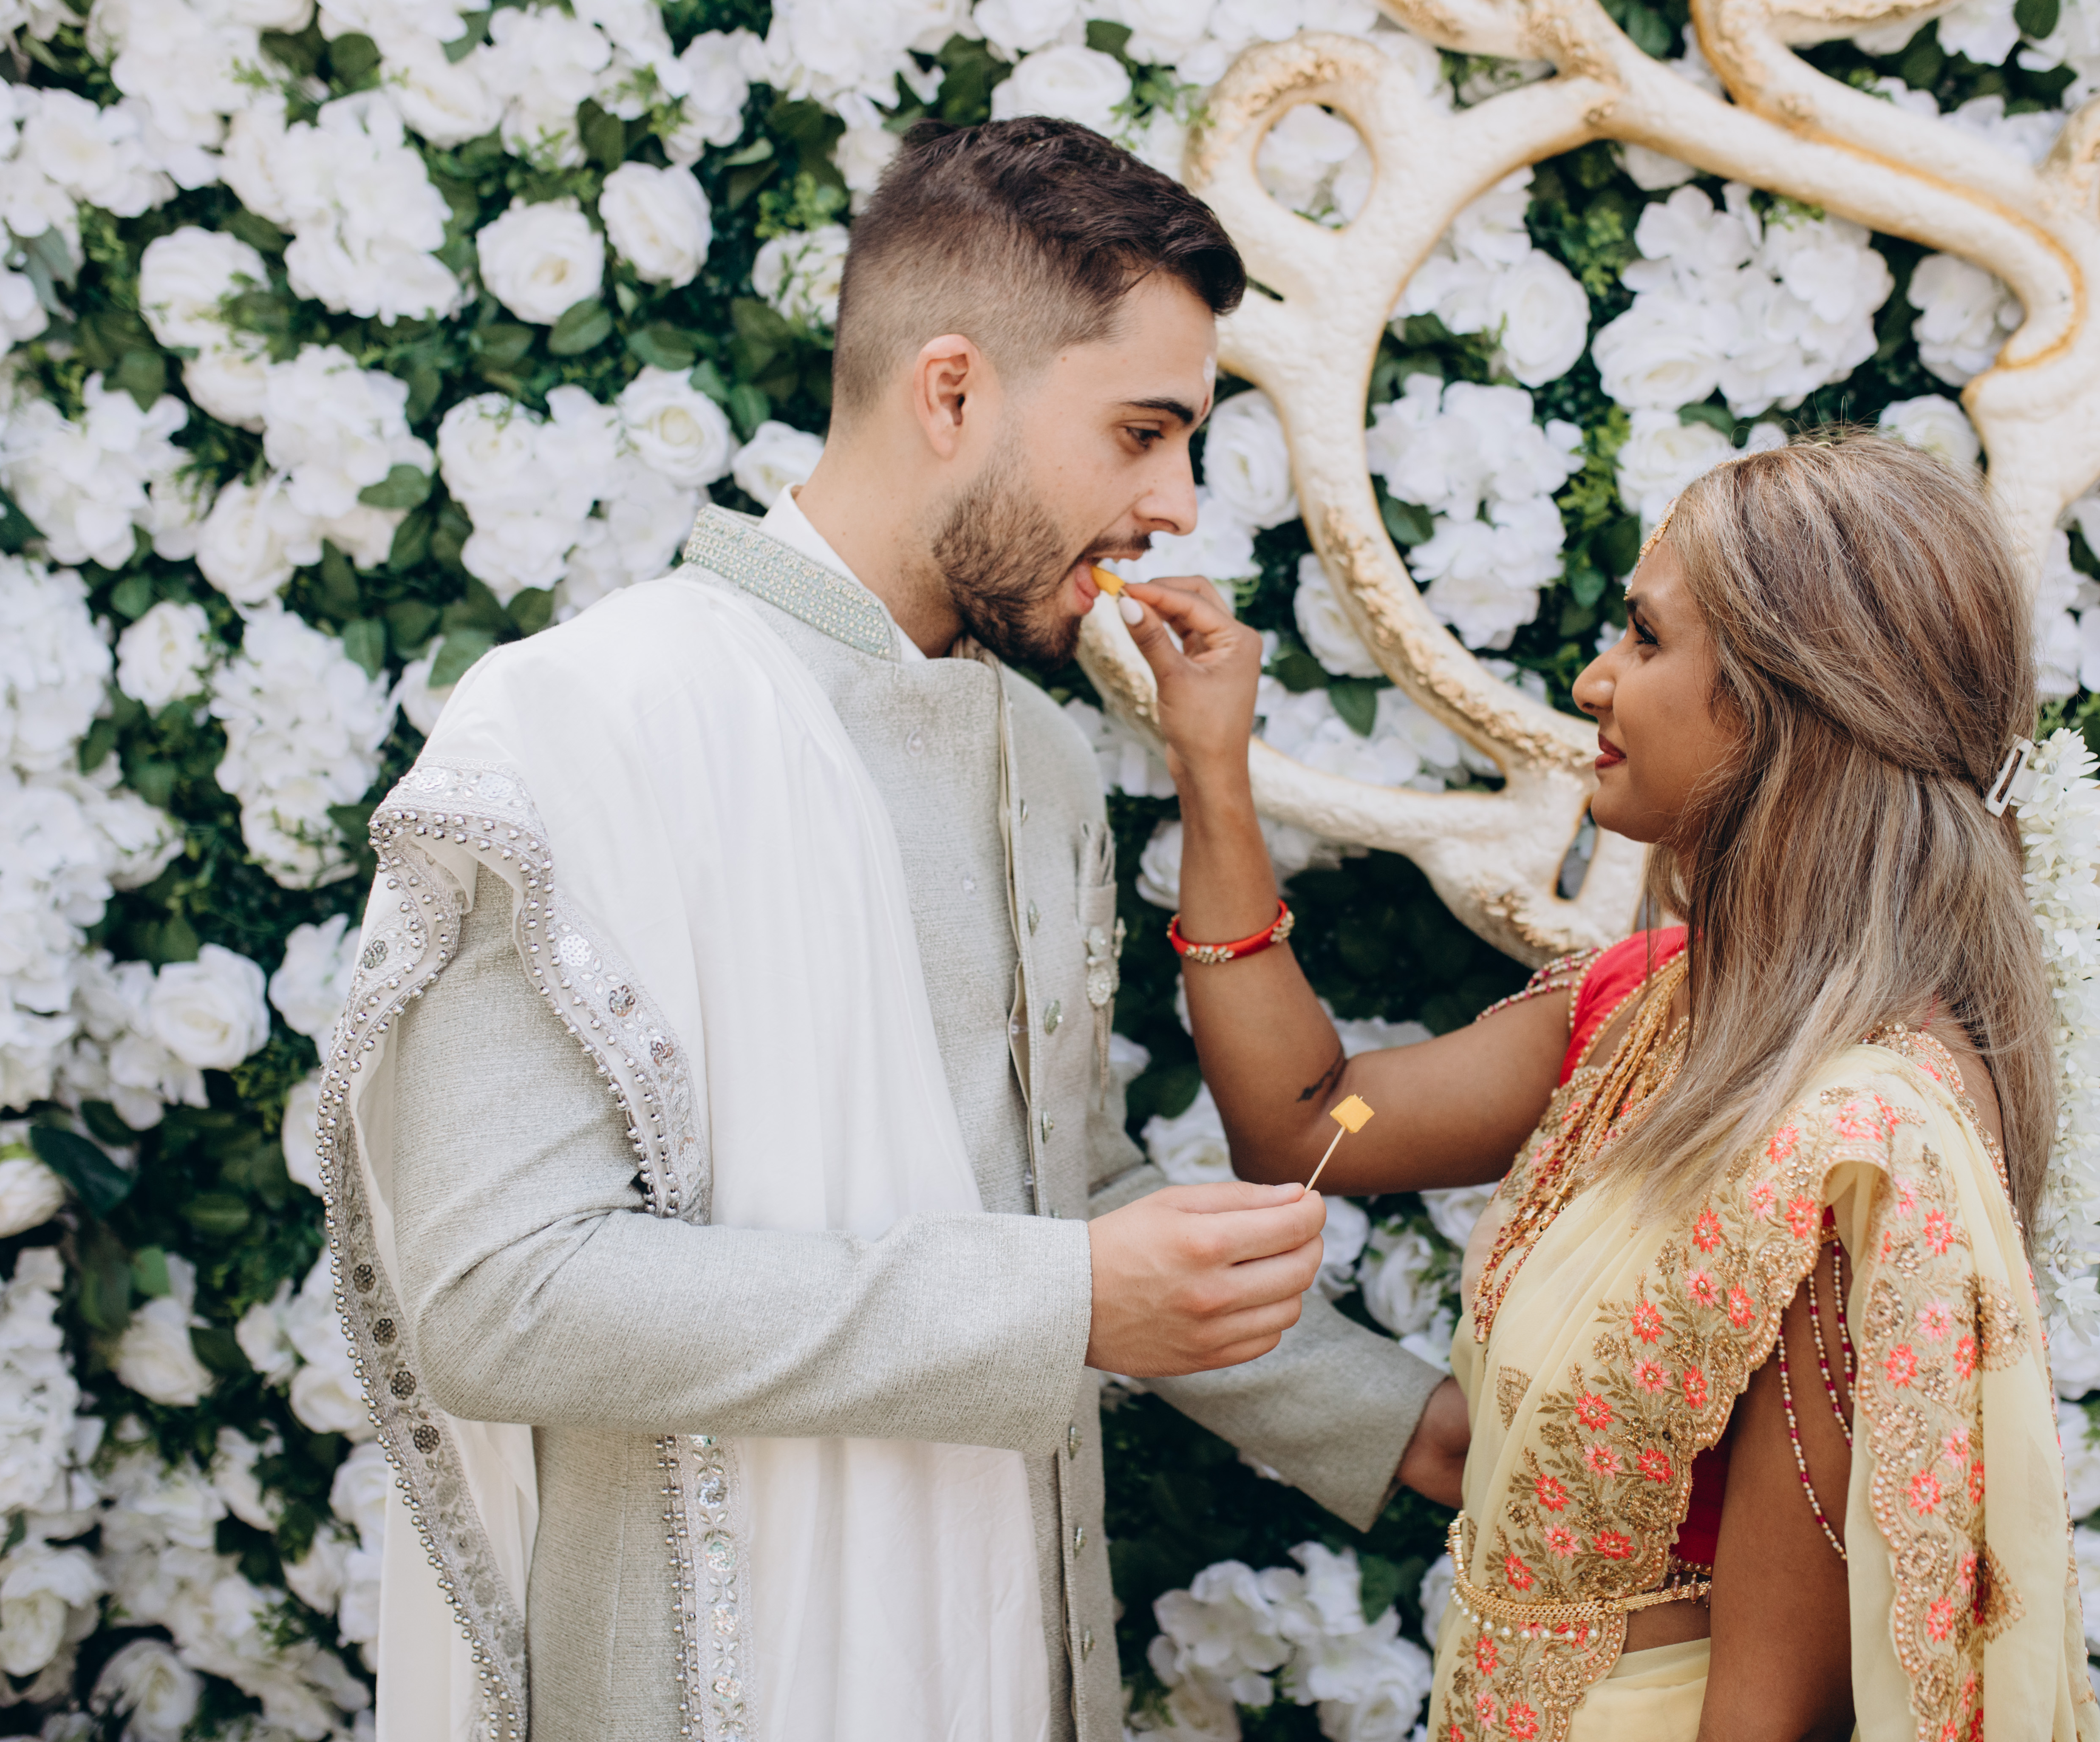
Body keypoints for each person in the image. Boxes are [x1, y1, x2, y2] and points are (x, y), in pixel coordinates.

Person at [317, 118, 1463, 1742]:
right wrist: (1058, 1303)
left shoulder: (1040, 759)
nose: (1177, 505)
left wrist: (1409, 1424)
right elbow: (502, 1295)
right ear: (952, 394)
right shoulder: (588, 719)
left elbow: (1065, 1202)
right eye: (1142, 433)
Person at [1121, 431, 2100, 1739]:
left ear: (1787, 703)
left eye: (1644, 638)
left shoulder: (1860, 1138)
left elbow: (1770, 1711)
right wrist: (1211, 767)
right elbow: (1312, 1117)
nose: (1594, 678)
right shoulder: (1653, 1004)